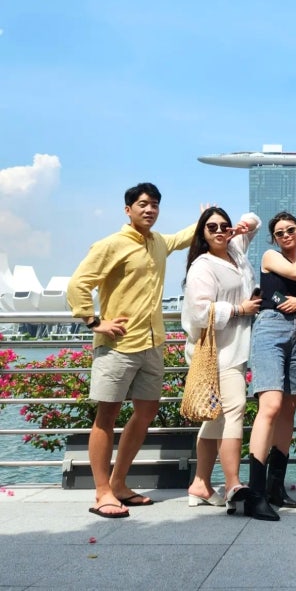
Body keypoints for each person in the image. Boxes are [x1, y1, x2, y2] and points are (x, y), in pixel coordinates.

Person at [67, 182, 196, 519]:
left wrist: (209, 218)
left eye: (154, 204)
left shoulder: (158, 242)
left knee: (147, 411)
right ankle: (102, 492)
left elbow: (183, 238)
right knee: (106, 416)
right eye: (142, 204)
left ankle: (120, 484)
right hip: (118, 345)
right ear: (128, 209)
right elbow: (78, 283)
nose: (149, 209)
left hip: (152, 344)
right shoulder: (112, 244)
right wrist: (94, 321)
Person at [181, 207, 261, 514]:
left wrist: (240, 227)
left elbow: (254, 221)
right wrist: (240, 310)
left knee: (215, 418)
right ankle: (232, 484)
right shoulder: (202, 266)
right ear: (202, 232)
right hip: (216, 353)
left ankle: (200, 483)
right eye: (211, 227)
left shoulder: (234, 250)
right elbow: (200, 312)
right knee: (234, 409)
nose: (219, 231)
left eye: (223, 226)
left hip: (235, 348)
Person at [246, 212, 296, 521]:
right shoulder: (270, 257)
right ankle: (255, 494)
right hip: (271, 327)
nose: (286, 235)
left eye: (291, 230)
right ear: (274, 238)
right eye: (280, 232)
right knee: (271, 405)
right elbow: (293, 273)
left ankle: (275, 487)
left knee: (289, 407)